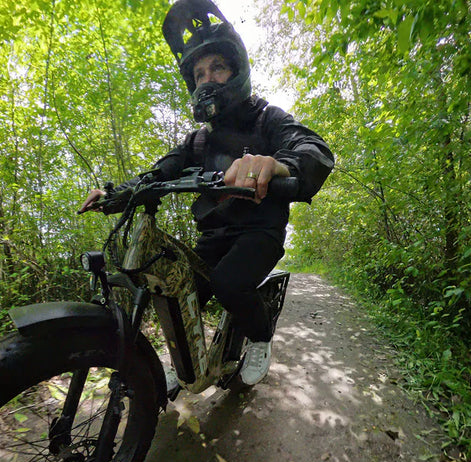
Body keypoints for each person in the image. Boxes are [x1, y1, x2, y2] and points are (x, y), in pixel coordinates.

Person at [80, 0, 334, 385]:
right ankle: (183, 361)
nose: (207, 79)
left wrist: (277, 164)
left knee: (229, 283)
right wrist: (115, 193)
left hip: (259, 233)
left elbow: (312, 150)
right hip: (213, 235)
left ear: (236, 71)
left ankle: (261, 338)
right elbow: (158, 172)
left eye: (217, 67)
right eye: (198, 73)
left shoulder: (268, 117)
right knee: (180, 292)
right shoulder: (197, 140)